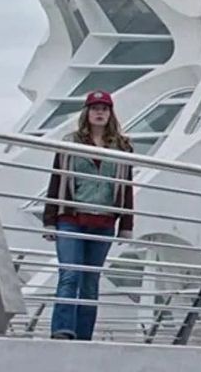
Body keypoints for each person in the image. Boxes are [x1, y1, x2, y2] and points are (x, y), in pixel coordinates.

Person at [42, 90, 134, 341]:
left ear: (111, 113)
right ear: (87, 113)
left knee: (91, 281)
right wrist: (49, 220)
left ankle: (84, 337)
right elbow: (57, 180)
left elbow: (126, 186)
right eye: (95, 108)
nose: (100, 112)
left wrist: (126, 224)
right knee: (70, 274)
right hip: (71, 219)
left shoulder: (123, 147)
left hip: (103, 221)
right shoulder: (70, 142)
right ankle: (62, 331)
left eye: (105, 108)